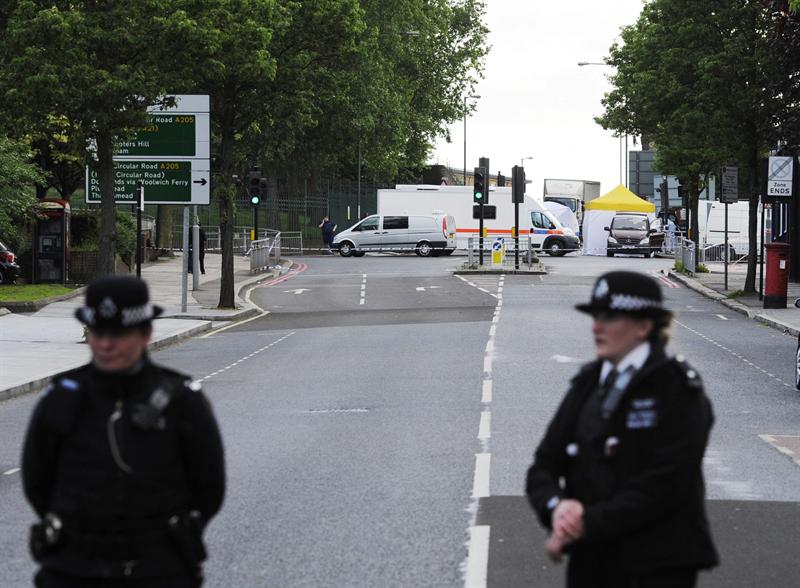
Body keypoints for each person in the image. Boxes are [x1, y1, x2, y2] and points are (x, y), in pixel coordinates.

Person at [22, 274, 225, 587]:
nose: (105, 344)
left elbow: (209, 487)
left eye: (118, 333)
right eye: (98, 332)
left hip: (159, 570)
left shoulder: (182, 401)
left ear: (146, 333)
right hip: (73, 569)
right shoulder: (62, 398)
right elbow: (37, 481)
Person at [526, 271, 717, 588]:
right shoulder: (587, 383)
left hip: (657, 565)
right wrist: (556, 508)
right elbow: (544, 464)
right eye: (596, 316)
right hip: (592, 561)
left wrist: (584, 523)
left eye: (610, 317)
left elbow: (664, 484)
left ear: (644, 326)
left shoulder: (677, 389)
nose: (596, 327)